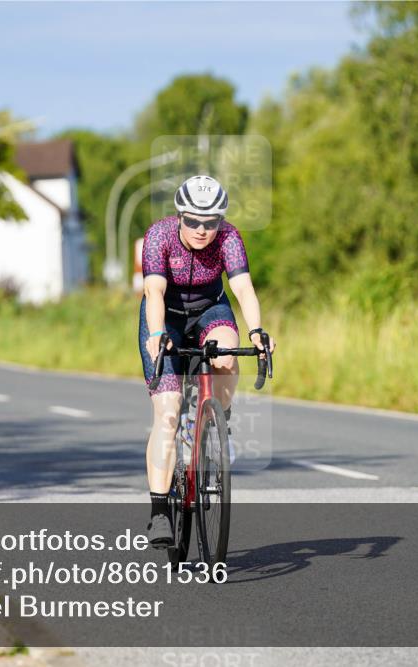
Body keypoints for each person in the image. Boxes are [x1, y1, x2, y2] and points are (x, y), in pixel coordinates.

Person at [138, 174, 275, 547]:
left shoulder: (229, 238)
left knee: (227, 354)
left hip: (210, 309)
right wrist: (156, 334)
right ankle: (160, 512)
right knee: (168, 410)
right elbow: (153, 290)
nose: (202, 229)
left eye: (211, 221)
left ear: (221, 220)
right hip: (165, 316)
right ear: (180, 215)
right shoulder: (160, 236)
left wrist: (256, 331)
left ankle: (217, 420)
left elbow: (242, 287)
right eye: (194, 220)